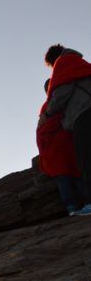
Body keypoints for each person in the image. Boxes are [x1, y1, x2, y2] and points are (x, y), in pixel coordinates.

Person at [40, 44, 91, 215]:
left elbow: (61, 94)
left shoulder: (63, 63)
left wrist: (47, 113)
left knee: (86, 159)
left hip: (83, 113)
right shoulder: (79, 62)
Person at [36, 79, 84, 214]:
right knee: (77, 176)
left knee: (64, 179)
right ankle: (82, 203)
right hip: (66, 147)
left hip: (57, 151)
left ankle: (72, 208)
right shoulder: (60, 102)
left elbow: (41, 131)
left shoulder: (48, 107)